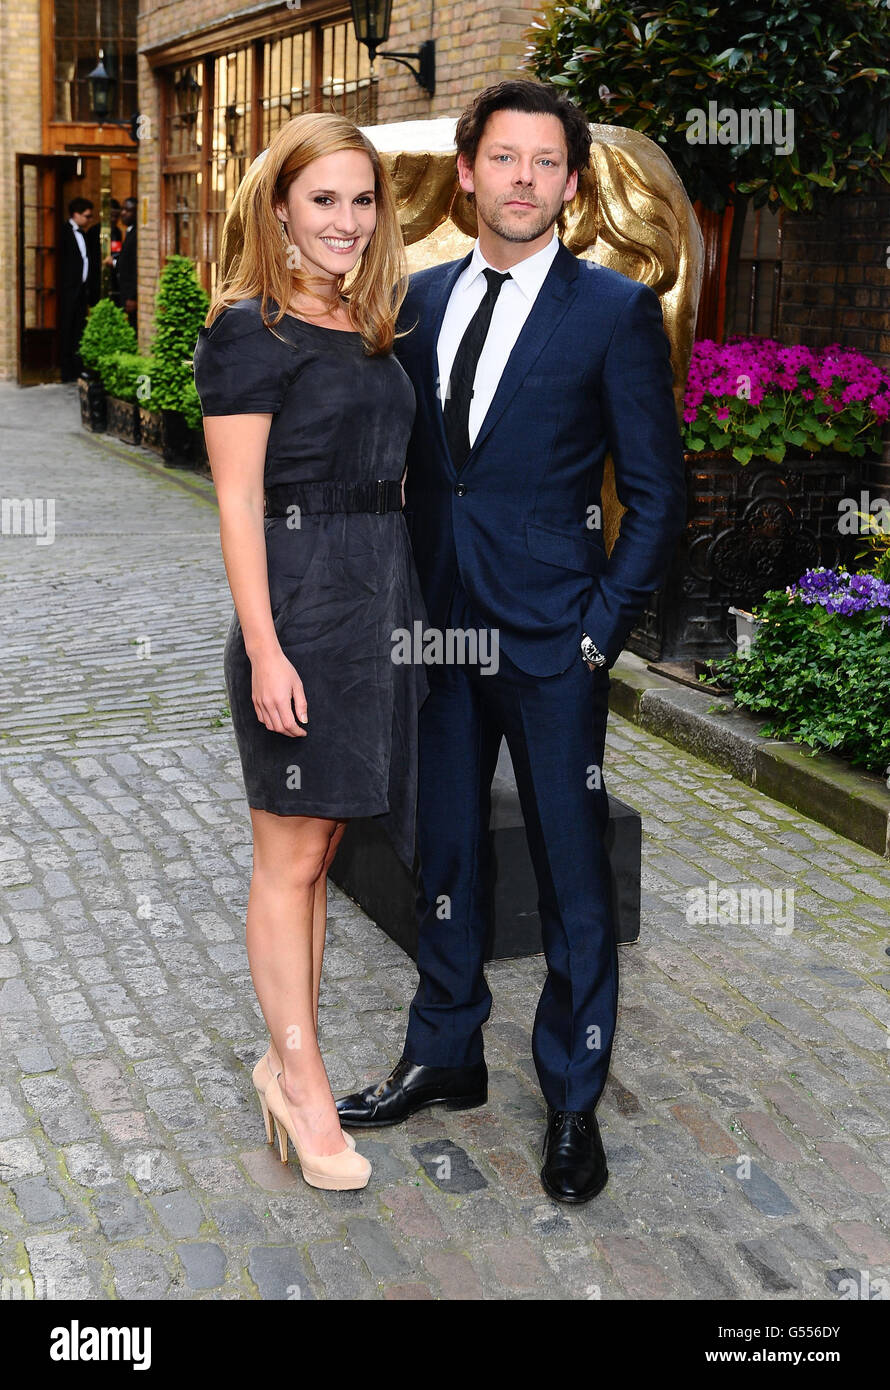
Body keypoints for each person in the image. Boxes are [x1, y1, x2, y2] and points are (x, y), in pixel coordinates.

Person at [336, 79, 688, 1204]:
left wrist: (598, 631)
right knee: (443, 852)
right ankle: (445, 1050)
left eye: (545, 162)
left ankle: (573, 1098)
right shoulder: (418, 300)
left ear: (570, 185)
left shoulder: (611, 312)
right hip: (438, 636)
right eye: (504, 158)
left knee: (571, 871)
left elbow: (655, 491)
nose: (523, 179)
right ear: (468, 171)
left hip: (551, 643)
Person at [192, 112, 428, 1192]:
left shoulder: (372, 320)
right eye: (322, 198)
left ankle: (290, 1057)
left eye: (361, 199)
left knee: (320, 848)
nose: (344, 219)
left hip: (376, 604)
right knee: (288, 856)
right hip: (295, 612)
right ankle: (298, 1079)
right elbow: (237, 502)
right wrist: (266, 648)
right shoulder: (249, 331)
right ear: (279, 206)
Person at [59, 197, 98, 381]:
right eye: (87, 216)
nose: (89, 219)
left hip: (82, 290)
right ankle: (66, 370)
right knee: (67, 329)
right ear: (76, 214)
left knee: (79, 330)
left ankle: (77, 367)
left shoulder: (83, 233)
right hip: (68, 291)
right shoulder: (64, 232)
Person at [116, 197, 138, 331]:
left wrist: (132, 297)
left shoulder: (137, 234)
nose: (123, 213)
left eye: (128, 210)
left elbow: (137, 267)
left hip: (131, 295)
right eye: (123, 209)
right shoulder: (129, 231)